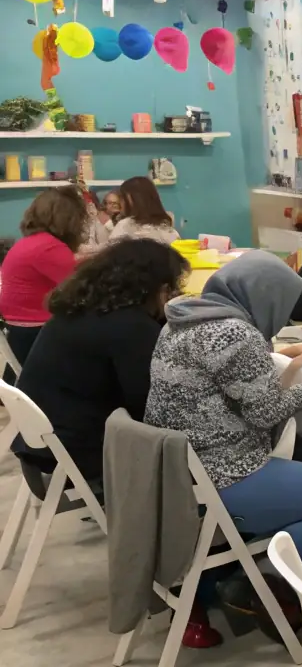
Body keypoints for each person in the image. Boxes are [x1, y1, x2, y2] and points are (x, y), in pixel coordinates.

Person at [145, 251, 302, 641]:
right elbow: (265, 413)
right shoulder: (234, 334)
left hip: (181, 473)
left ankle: (242, 572)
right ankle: (259, 580)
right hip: (224, 476)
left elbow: (224, 374)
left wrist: (280, 358)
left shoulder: (183, 319)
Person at [14, 239, 190, 485]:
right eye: (171, 289)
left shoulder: (77, 309)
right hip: (81, 455)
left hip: (42, 447)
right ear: (156, 288)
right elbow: (153, 406)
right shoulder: (130, 327)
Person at [0, 187, 85, 362]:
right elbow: (82, 287)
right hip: (36, 331)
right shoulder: (50, 248)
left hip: (17, 329)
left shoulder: (30, 242)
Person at [110, 176, 180, 245]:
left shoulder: (123, 227)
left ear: (131, 199)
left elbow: (108, 253)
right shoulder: (170, 232)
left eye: (122, 198)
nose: (119, 202)